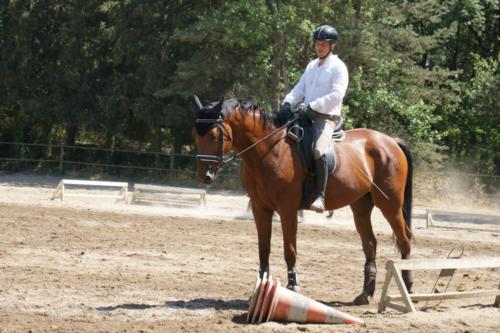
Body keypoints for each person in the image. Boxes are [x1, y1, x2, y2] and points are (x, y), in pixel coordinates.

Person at [278, 25, 349, 213]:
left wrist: (312, 106)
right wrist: (287, 102)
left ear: (332, 45)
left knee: (319, 151)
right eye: (317, 43)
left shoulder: (338, 67)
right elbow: (299, 89)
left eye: (324, 44)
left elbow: (337, 94)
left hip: (325, 118)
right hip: (304, 115)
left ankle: (319, 195)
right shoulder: (311, 65)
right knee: (282, 142)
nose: (319, 47)